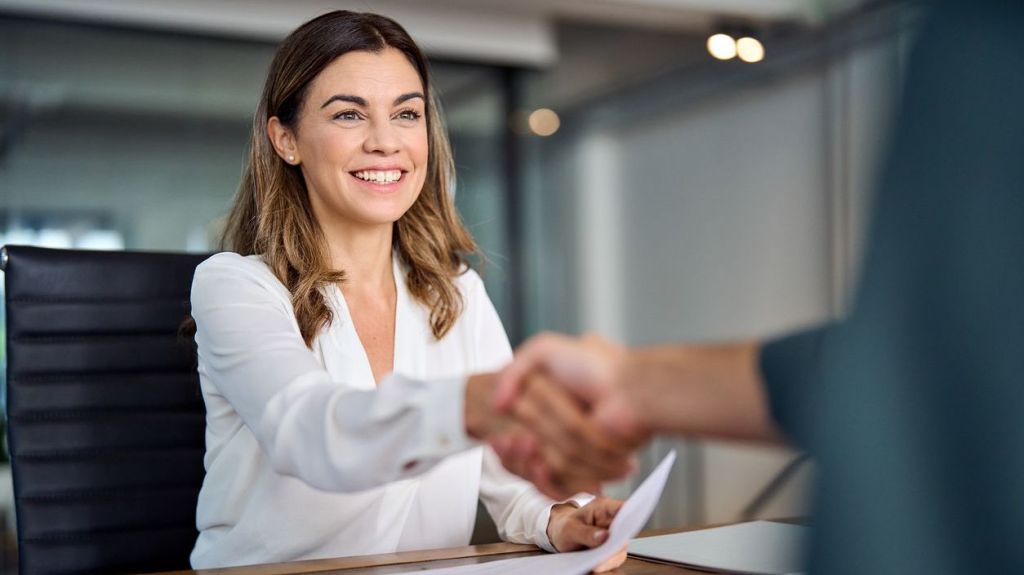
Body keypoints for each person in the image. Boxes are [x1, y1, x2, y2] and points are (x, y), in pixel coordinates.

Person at [492, 0, 1024, 573]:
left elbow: (928, 371)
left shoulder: (986, 36)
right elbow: (929, 357)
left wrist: (630, 387)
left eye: (409, 114)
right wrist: (632, 383)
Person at [186, 11, 630, 569]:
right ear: (286, 139)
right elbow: (310, 434)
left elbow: (507, 470)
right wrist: (469, 405)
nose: (385, 142)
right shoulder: (237, 286)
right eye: (349, 114)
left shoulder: (456, 293)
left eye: (406, 113)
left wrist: (560, 516)